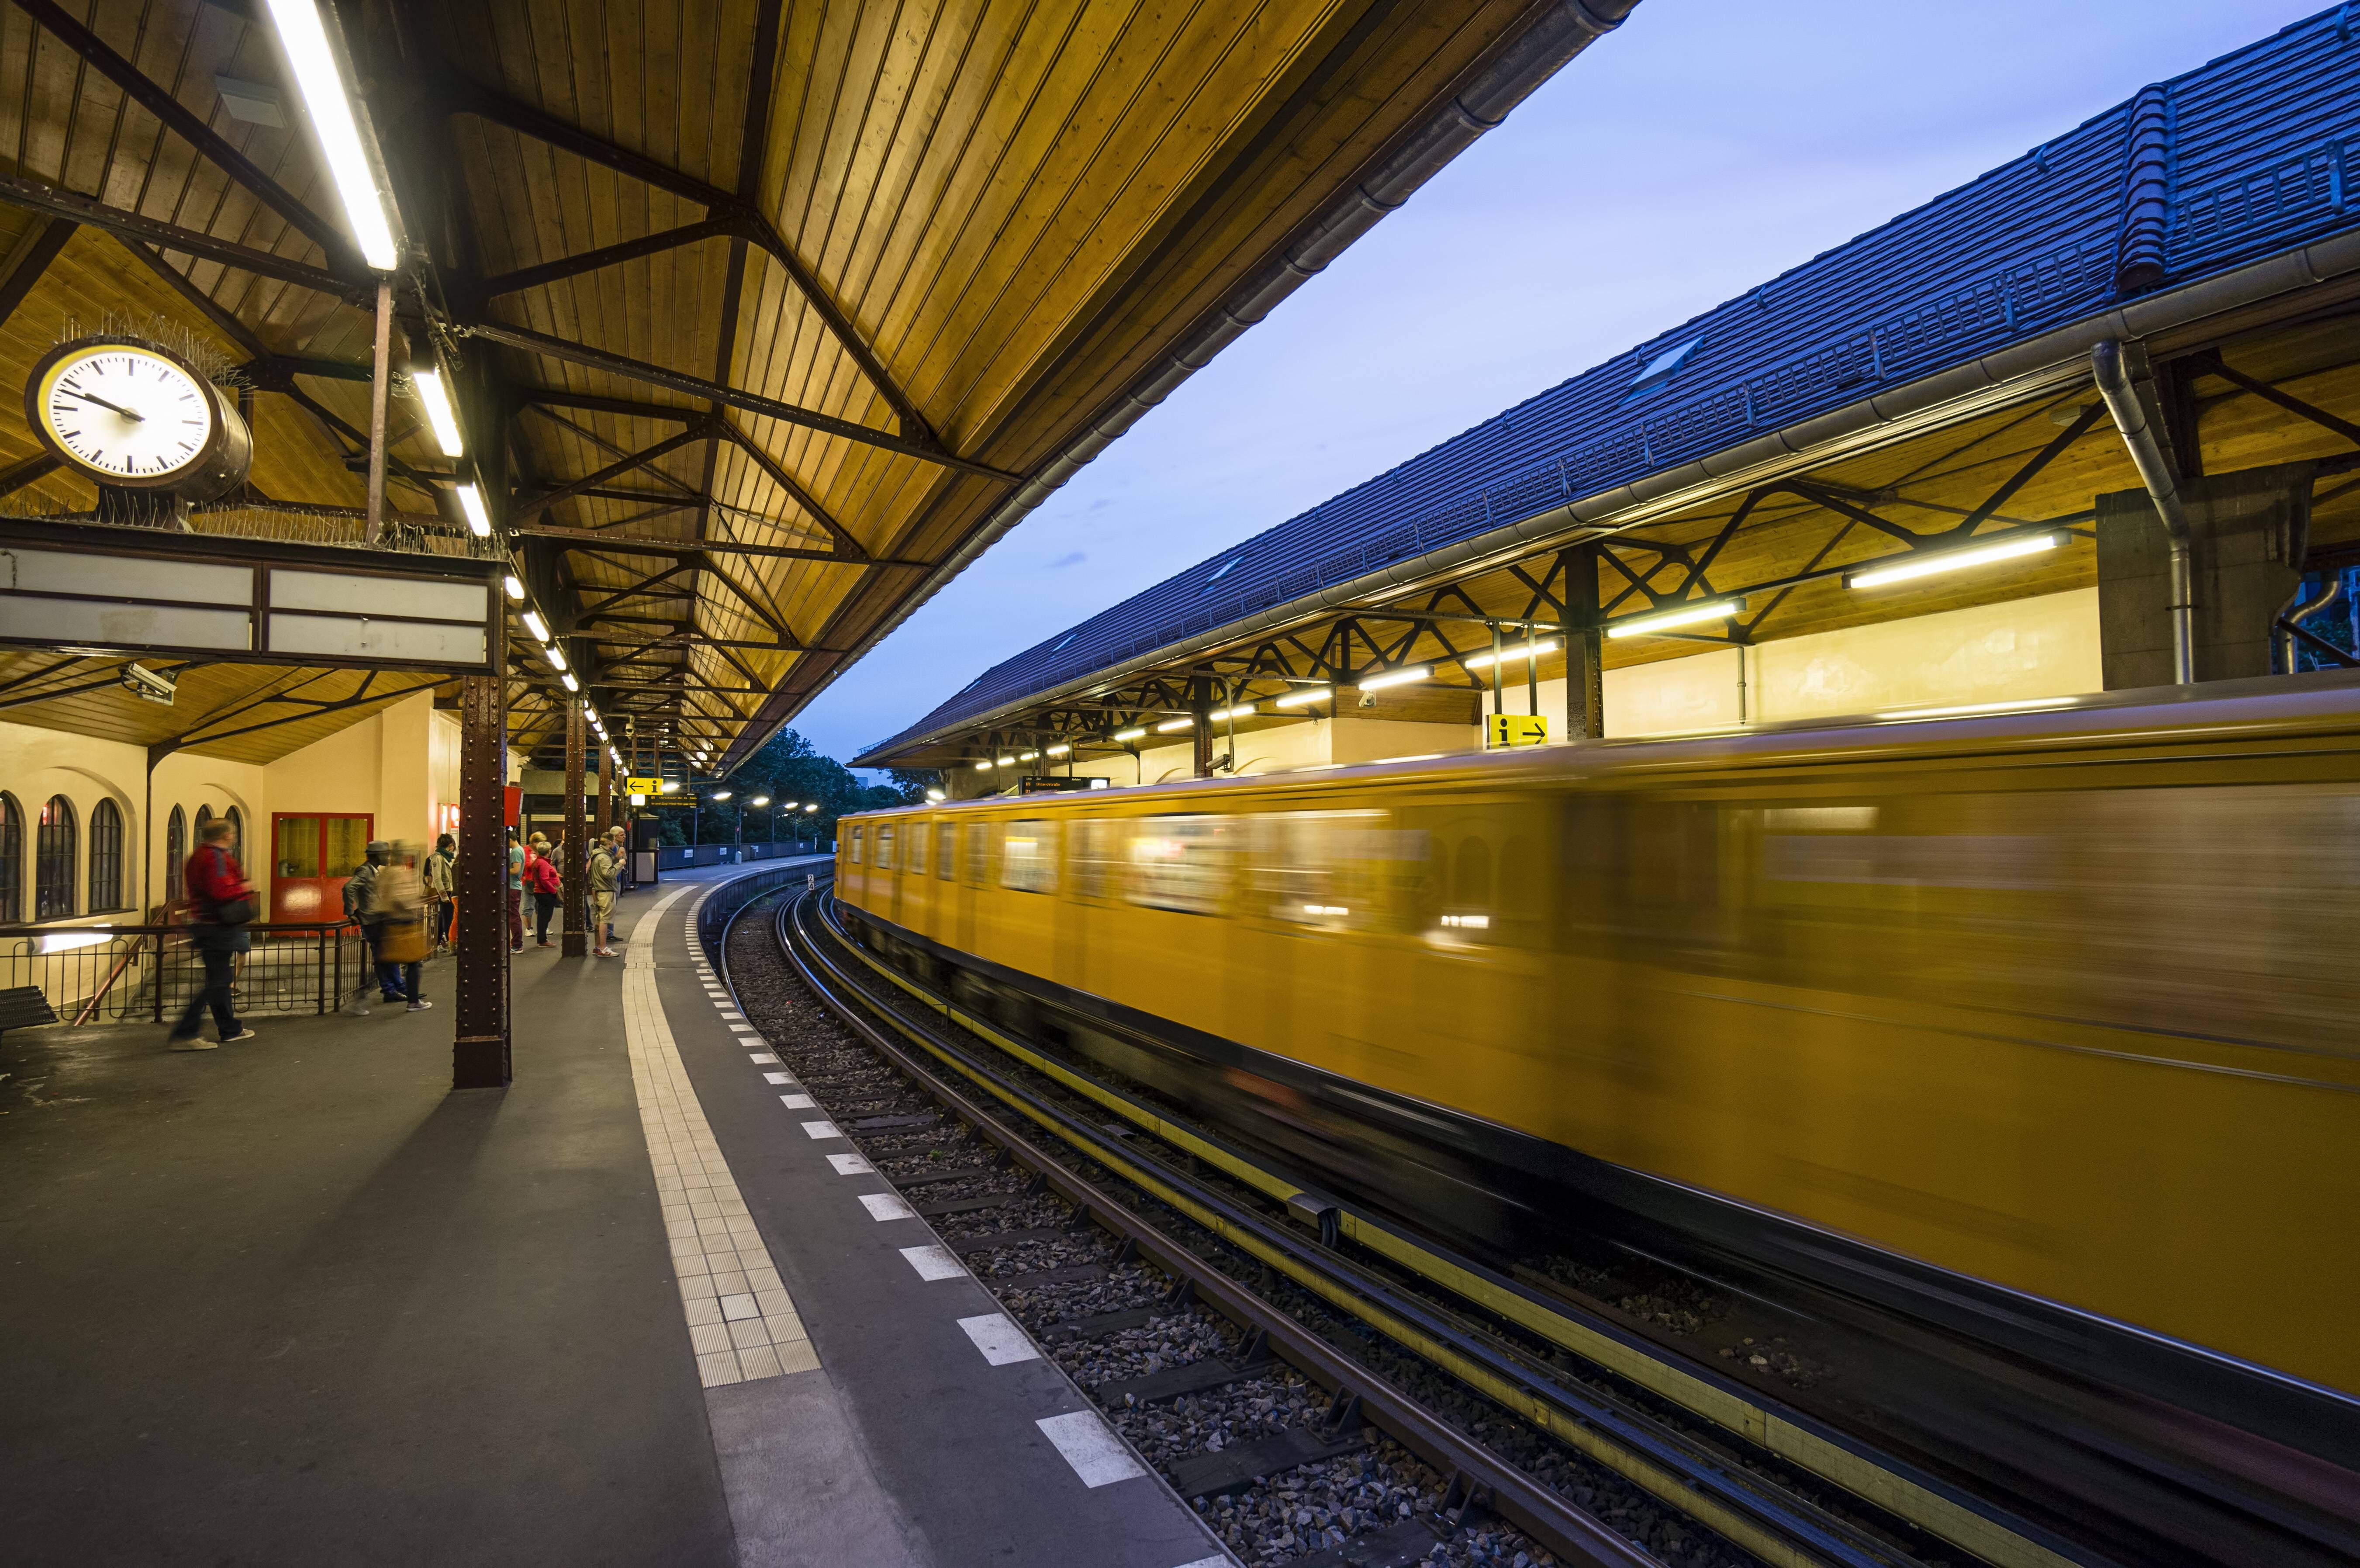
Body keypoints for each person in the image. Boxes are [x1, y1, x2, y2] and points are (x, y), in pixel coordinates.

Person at [169, 817, 256, 1050]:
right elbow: (221, 890)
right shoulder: (216, 857)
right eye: (233, 833)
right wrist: (244, 888)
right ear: (227, 835)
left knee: (219, 980)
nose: (234, 837)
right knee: (218, 981)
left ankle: (230, 1029)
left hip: (207, 925)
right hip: (218, 926)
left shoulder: (198, 856)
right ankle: (185, 1033)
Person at [373, 847, 432, 1012]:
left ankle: (369, 995)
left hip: (386, 922)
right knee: (414, 962)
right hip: (403, 923)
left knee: (385, 960)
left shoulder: (386, 874)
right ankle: (413, 1001)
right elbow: (402, 898)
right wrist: (415, 906)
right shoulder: (401, 873)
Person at [340, 842, 394, 1015]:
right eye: (385, 854)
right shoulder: (365, 871)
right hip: (372, 922)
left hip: (377, 921)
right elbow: (349, 888)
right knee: (382, 960)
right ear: (376, 856)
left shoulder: (374, 871)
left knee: (383, 961)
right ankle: (359, 998)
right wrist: (350, 912)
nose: (387, 857)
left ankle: (382, 992)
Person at [525, 832, 561, 946]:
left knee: (543, 916)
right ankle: (543, 940)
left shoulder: (538, 861)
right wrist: (554, 890)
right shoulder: (543, 864)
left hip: (541, 892)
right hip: (545, 893)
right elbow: (545, 880)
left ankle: (542, 939)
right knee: (545, 917)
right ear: (549, 851)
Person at [587, 832, 619, 958]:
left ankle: (597, 947)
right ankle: (603, 948)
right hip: (606, 892)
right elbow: (609, 874)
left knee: (599, 920)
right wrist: (620, 864)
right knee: (605, 920)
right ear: (611, 843)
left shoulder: (595, 855)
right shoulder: (604, 857)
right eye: (614, 842)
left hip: (598, 891)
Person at [425, 832, 457, 952]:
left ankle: (438, 942)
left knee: (443, 917)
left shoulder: (445, 857)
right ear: (450, 845)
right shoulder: (437, 858)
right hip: (445, 892)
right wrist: (444, 896)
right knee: (448, 918)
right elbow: (437, 879)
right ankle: (450, 943)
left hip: (449, 890)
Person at [505, 826, 525, 953]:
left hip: (513, 887)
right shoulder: (520, 850)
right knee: (514, 916)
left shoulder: (516, 852)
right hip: (515, 887)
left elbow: (516, 870)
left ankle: (517, 945)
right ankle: (517, 944)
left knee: (514, 917)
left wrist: (502, 870)